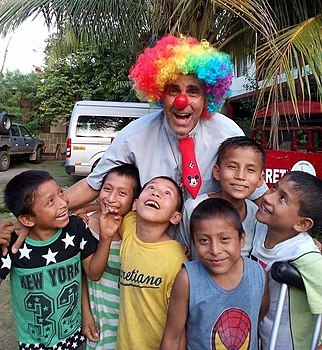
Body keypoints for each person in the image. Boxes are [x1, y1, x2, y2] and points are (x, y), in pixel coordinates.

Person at [63, 34, 268, 209]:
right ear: (159, 94)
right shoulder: (134, 136)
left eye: (193, 91)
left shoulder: (227, 132)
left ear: (206, 97)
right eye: (173, 90)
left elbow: (257, 193)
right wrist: (49, 209)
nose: (182, 101)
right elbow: (93, 184)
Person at [0, 170, 121, 350]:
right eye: (50, 201)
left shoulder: (77, 229)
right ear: (27, 219)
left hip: (75, 336)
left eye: (61, 192)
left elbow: (93, 274)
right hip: (34, 343)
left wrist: (106, 238)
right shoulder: (13, 245)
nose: (63, 203)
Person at [160, 198, 269, 350]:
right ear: (193, 242)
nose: (215, 250)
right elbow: (173, 337)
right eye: (203, 240)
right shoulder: (187, 279)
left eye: (224, 239)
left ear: (242, 239)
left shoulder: (258, 275)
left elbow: (259, 313)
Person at [113, 176, 187, 349]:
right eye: (151, 188)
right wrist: (87, 209)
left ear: (175, 217)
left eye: (167, 193)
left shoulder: (176, 259)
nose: (156, 193)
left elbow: (180, 327)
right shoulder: (129, 227)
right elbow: (113, 208)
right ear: (135, 203)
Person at [250, 171, 322, 350]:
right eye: (274, 188)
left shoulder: (305, 255)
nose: (268, 197)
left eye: (282, 198)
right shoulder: (259, 228)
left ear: (302, 225)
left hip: (294, 344)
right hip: (264, 338)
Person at [81, 164, 141, 350]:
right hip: (98, 319)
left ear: (134, 201)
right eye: (107, 189)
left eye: (122, 193)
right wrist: (86, 314)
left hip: (128, 323)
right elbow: (86, 275)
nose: (111, 198)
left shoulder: (139, 232)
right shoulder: (85, 225)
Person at [174, 136, 265, 258]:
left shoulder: (257, 216)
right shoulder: (193, 207)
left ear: (260, 179)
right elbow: (181, 250)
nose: (240, 176)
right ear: (217, 172)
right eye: (232, 167)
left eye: (250, 170)